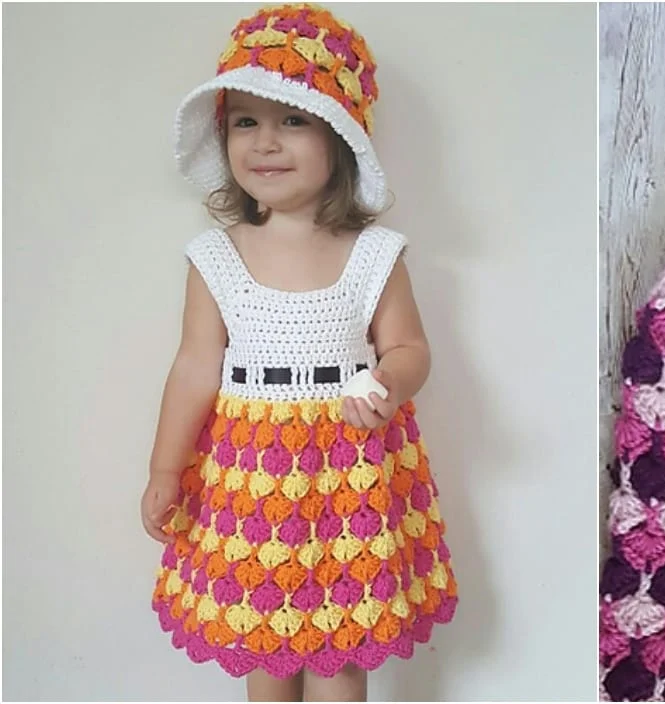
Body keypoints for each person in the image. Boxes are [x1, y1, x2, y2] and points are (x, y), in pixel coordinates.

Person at [141, 4, 458, 700]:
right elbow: (195, 367)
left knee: (339, 651)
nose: (266, 143)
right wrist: (166, 469)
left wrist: (386, 384)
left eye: (294, 120)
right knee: (265, 642)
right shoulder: (216, 258)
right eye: (245, 121)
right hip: (250, 475)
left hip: (348, 468)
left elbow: (408, 347)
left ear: (340, 139)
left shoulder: (374, 255)